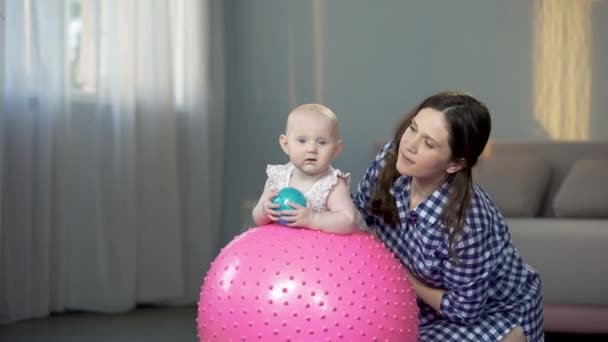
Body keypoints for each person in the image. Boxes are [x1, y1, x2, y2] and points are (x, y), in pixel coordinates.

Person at [353, 91, 544, 342]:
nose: (409, 145)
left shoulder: (467, 223)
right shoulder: (392, 160)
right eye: (413, 128)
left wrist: (400, 275)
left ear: (454, 164)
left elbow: (464, 309)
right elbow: (358, 216)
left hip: (493, 312)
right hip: (418, 302)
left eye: (429, 143)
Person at [252, 103, 358, 234]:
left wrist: (314, 219)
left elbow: (348, 221)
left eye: (322, 142)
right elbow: (257, 217)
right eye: (302, 141)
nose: (311, 149)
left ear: (336, 149)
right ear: (286, 144)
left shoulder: (332, 184)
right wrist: (264, 211)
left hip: (316, 251)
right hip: (279, 249)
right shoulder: (277, 177)